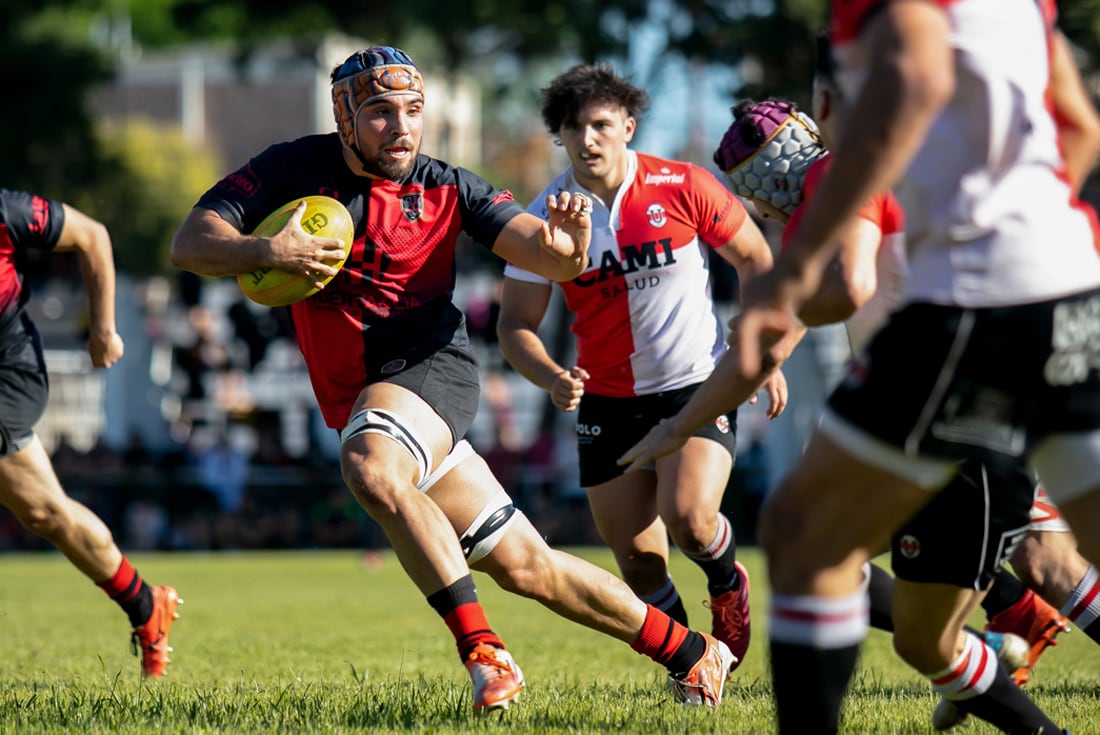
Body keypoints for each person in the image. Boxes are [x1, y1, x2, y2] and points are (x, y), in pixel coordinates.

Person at [171, 46, 734, 711]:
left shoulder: (447, 185)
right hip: (369, 400)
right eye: (381, 113)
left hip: (430, 370)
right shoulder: (291, 167)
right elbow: (191, 241)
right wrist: (265, 250)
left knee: (371, 466)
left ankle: (484, 650)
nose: (402, 127)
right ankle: (695, 652)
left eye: (413, 111)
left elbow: (545, 256)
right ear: (344, 115)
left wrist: (568, 245)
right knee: (530, 566)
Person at [723, 2, 1100, 733]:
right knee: (961, 600)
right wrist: (1034, 231)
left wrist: (791, 273)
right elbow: (1078, 124)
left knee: (802, 532)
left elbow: (916, 81)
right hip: (1067, 281)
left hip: (971, 301)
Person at [495, 62, 787, 672]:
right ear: (560, 136)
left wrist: (763, 351)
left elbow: (757, 259)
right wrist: (550, 374)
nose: (588, 139)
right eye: (574, 128)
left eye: (601, 124)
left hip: (695, 388)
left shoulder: (684, 184)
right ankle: (696, 664)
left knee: (690, 518)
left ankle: (727, 582)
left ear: (628, 126)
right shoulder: (543, 216)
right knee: (637, 563)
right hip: (605, 402)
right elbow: (515, 325)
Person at [0, 189, 180, 678]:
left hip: (9, 375)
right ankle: (146, 605)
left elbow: (92, 236)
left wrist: (103, 329)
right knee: (47, 513)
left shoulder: (6, 210)